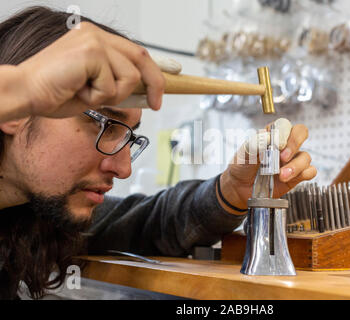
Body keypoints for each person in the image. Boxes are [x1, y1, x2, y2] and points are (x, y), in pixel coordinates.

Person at [0, 6, 316, 299]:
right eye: (106, 125)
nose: (124, 169)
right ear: (15, 111)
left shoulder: (34, 216)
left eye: (128, 136)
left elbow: (149, 222)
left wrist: (231, 191)